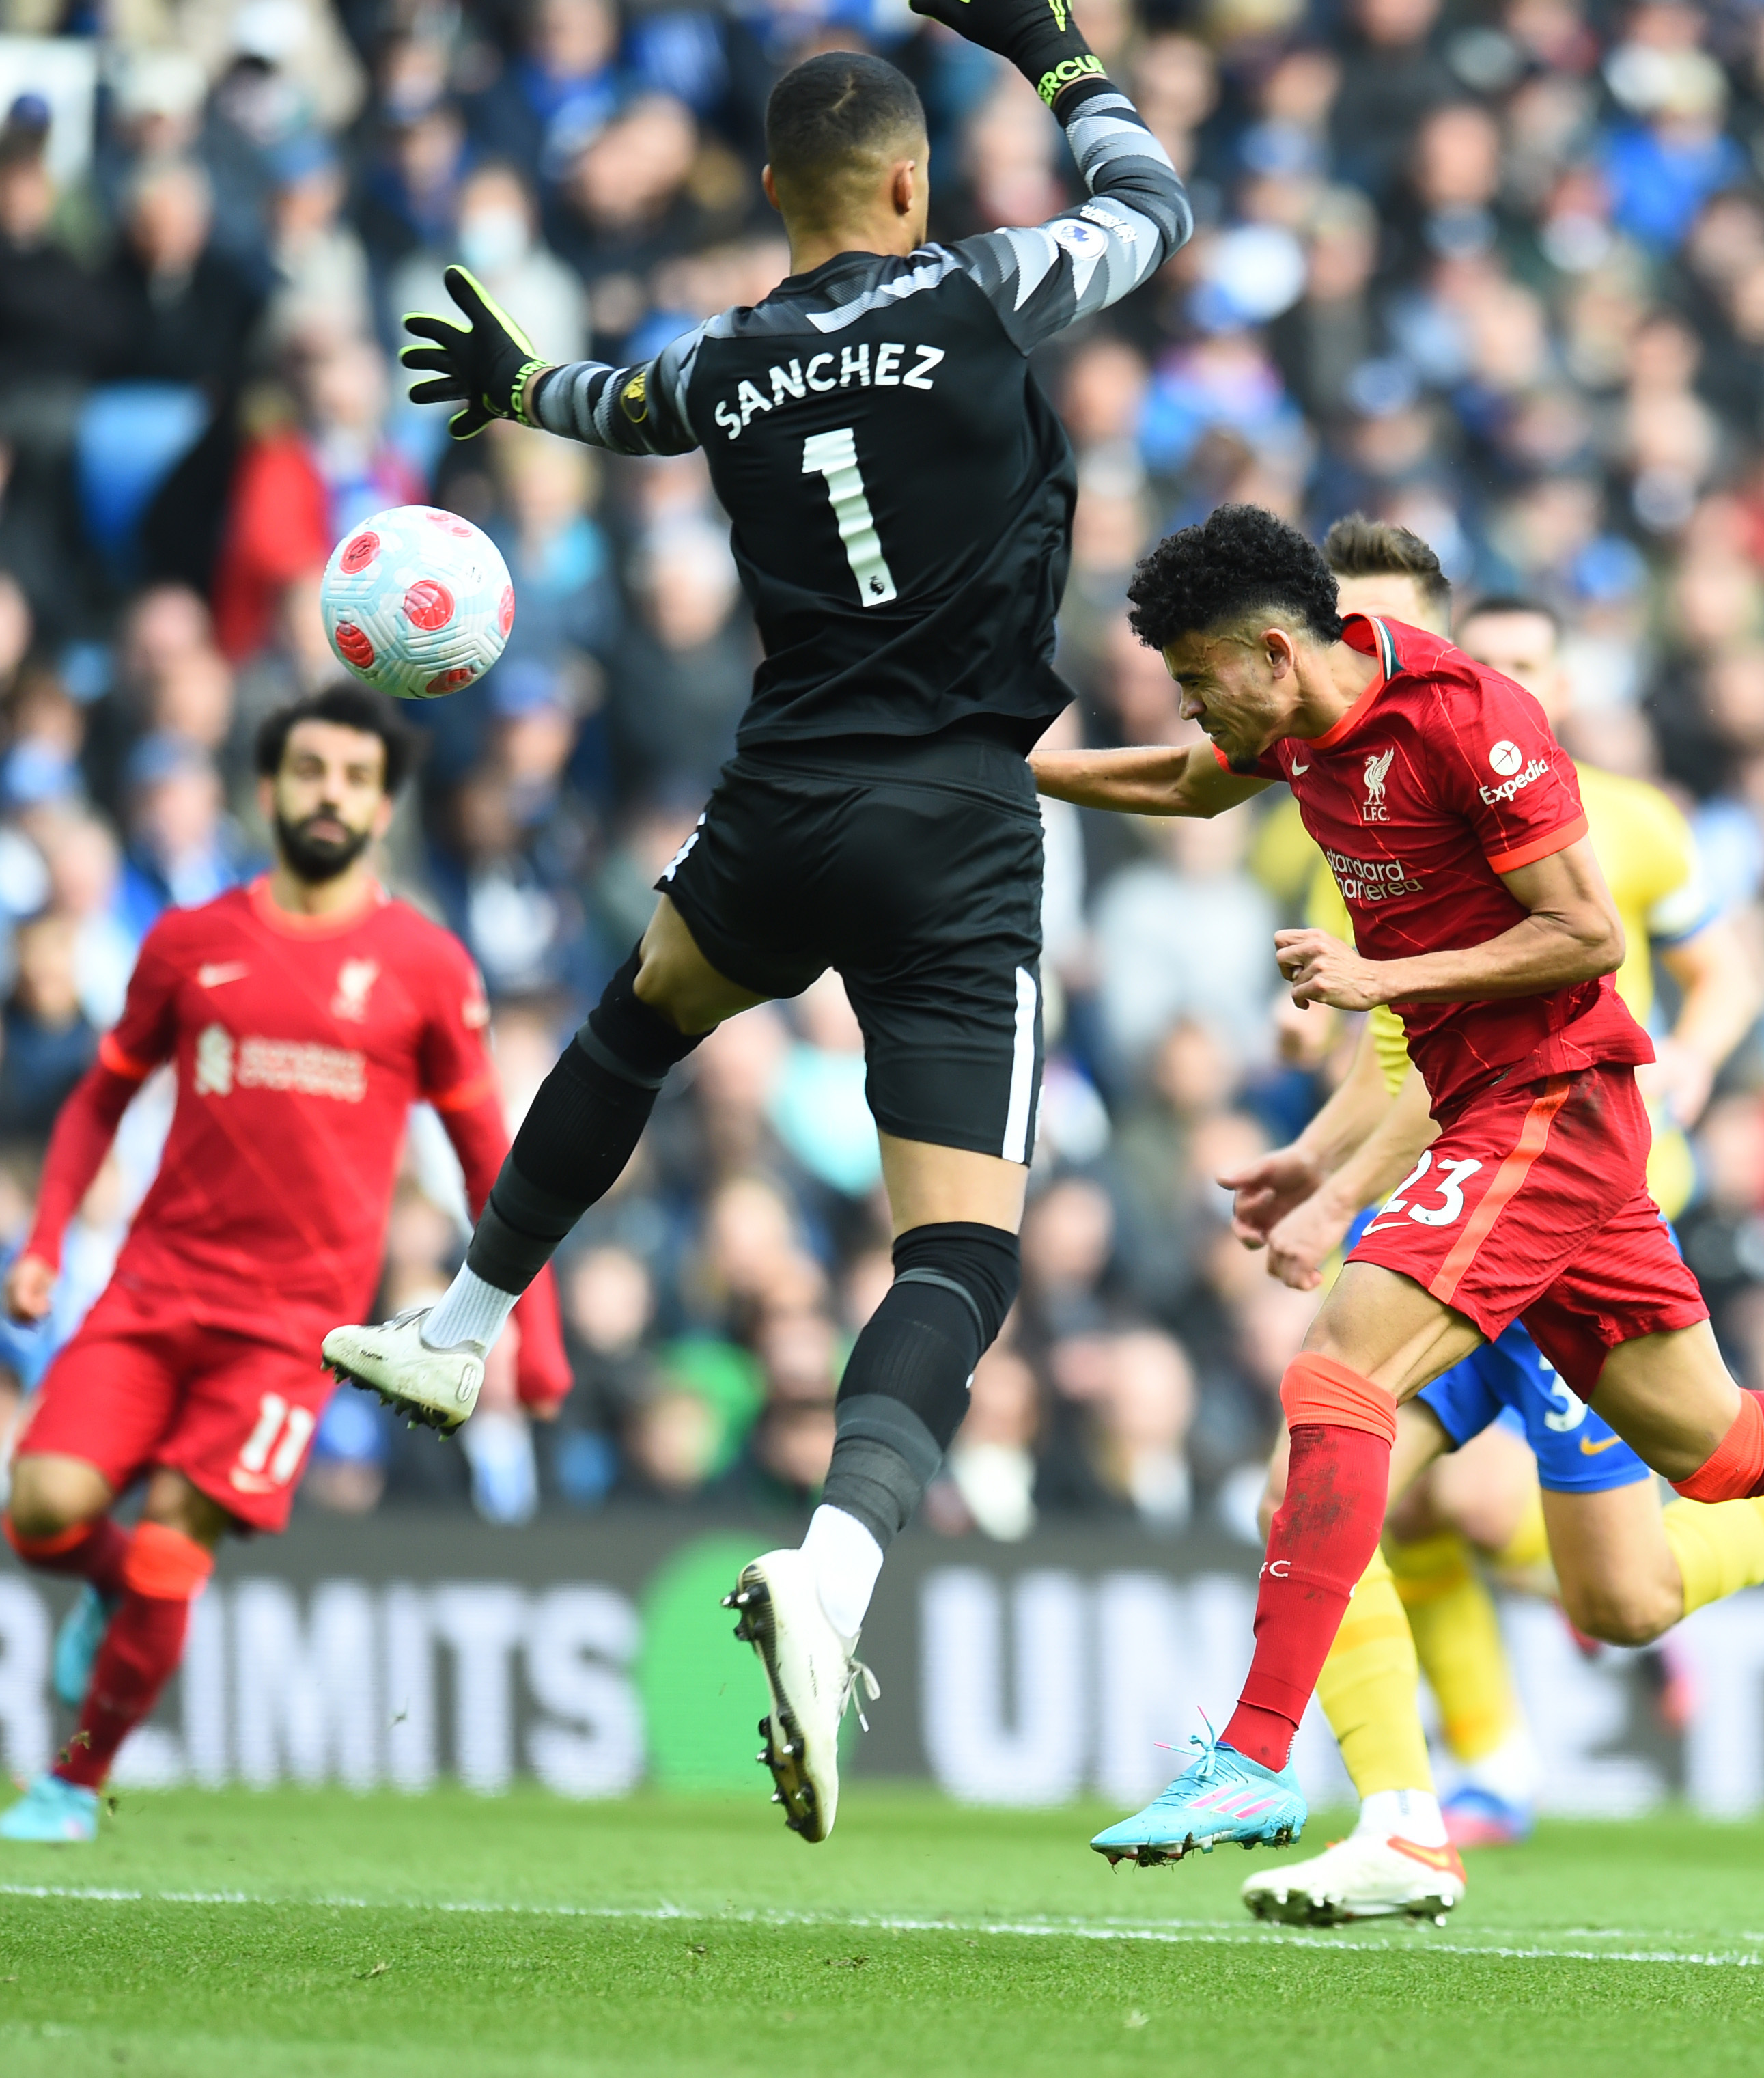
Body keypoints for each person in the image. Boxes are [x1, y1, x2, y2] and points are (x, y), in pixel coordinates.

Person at [1031, 505, 1764, 1866]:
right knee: (1721, 1454)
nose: (1192, 708)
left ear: (1271, 654)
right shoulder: (1293, 729)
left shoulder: (1473, 722)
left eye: (1198, 682)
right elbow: (1186, 786)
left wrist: (1384, 979)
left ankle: (1264, 1761)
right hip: (1505, 1123)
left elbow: (1588, 935)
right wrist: (1012, 774)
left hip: (1550, 1110)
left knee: (1335, 1387)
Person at [322, 20, 1191, 1848]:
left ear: (775, 196)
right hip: (957, 824)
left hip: (779, 804)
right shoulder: (982, 288)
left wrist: (511, 380)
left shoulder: (728, 358)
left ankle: (464, 1318)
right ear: (903, 181)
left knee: (640, 1021)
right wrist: (1052, 50)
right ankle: (837, 1573)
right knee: (959, 1258)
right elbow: (1152, 202)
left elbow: (616, 406)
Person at [1224, 525, 1764, 1919]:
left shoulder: (1623, 822)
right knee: (1356, 1491)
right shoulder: (1348, 799)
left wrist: (1697, 1051)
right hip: (1451, 1179)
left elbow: (1724, 962)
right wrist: (1326, 1144)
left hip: (1580, 1192)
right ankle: (1468, 1785)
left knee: (1576, 1565)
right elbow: (1399, 1039)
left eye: (1522, 661)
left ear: (1554, 683)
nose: (1480, 674)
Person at [0, 684, 569, 1843]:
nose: (331, 794)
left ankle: (69, 1778)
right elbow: (98, 1098)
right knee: (37, 1512)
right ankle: (103, 1588)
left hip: (289, 1330)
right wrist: (49, 1239)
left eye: (356, 778)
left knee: (171, 1542)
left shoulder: (425, 966)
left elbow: (491, 1166)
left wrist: (535, 1334)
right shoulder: (191, 944)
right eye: (311, 770)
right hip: (153, 1290)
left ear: (383, 804)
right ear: (268, 790)